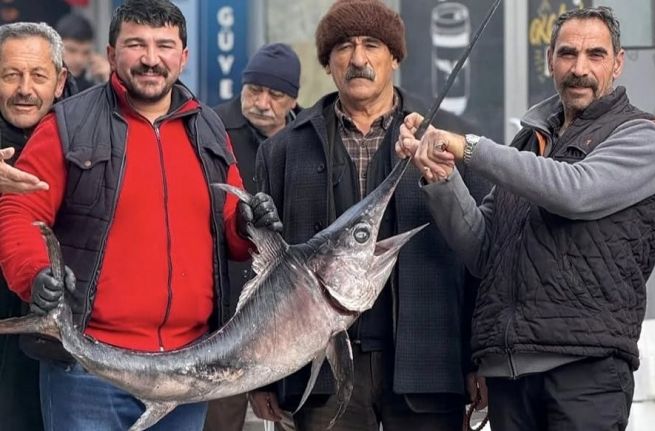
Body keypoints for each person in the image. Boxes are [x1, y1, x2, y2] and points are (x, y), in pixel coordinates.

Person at [0, 1, 282, 430]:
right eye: (136, 44)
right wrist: (35, 272)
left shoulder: (207, 126)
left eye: (164, 46)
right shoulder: (67, 124)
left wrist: (251, 224)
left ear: (182, 57)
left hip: (186, 370)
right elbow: (20, 209)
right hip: (88, 370)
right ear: (112, 54)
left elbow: (230, 227)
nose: (151, 58)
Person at [397, 6, 655, 431]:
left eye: (596, 55)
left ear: (618, 63)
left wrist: (468, 146)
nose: (579, 68)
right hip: (509, 373)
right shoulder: (529, 141)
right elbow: (482, 250)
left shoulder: (644, 137)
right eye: (567, 54)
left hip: (586, 372)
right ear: (550, 60)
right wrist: (443, 180)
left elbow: (574, 191)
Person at [252, 1, 490, 429]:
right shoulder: (283, 151)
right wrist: (261, 373)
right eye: (343, 47)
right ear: (327, 63)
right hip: (318, 372)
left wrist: (480, 357)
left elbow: (480, 253)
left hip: (429, 365)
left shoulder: (447, 138)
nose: (358, 59)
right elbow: (265, 272)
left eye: (371, 45)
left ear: (394, 57)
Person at [205, 42, 302, 431]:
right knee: (219, 417)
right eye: (253, 91)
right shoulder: (211, 128)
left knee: (292, 412)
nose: (262, 102)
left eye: (275, 95)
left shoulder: (306, 136)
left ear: (293, 98)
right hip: (225, 301)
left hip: (287, 305)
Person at [0, 21, 70, 431]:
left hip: (63, 347)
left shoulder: (87, 133)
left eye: (38, 75)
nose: (24, 88)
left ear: (60, 81)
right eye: (11, 75)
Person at [55, 12, 111, 92]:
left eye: (86, 52)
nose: (79, 60)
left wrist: (110, 79)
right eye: (71, 50)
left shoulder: (93, 90)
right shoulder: (43, 83)